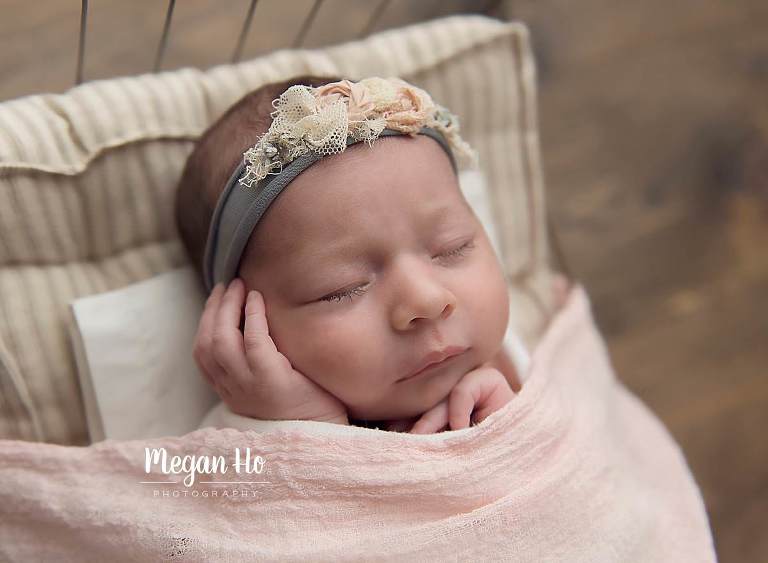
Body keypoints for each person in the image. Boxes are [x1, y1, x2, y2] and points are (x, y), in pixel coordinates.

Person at [175, 75, 526, 434]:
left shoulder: (527, 366)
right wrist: (308, 429)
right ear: (239, 326)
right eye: (343, 288)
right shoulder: (240, 446)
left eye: (453, 246)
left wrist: (514, 424)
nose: (427, 300)